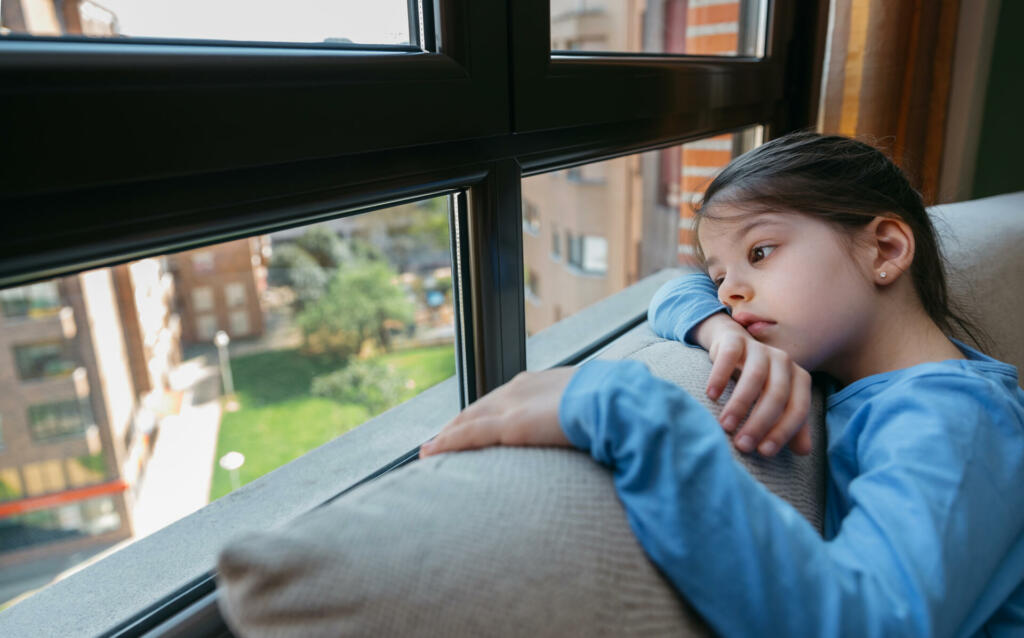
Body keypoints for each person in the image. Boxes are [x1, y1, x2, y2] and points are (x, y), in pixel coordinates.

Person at [419, 132, 1024, 636]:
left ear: (885, 248)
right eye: (722, 275)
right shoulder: (891, 377)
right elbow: (677, 286)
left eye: (760, 252)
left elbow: (869, 623)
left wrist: (632, 414)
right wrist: (715, 328)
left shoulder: (954, 421)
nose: (731, 291)